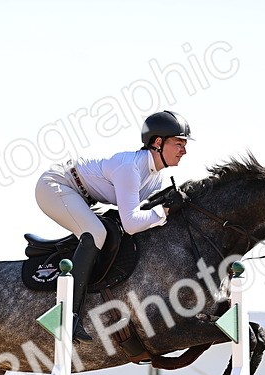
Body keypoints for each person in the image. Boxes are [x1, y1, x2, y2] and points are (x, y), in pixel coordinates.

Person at [35, 110, 191, 341]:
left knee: (108, 232)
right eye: (178, 143)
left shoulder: (155, 176)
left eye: (184, 144)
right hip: (56, 185)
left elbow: (142, 220)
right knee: (96, 233)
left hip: (79, 195)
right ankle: (65, 315)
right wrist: (165, 210)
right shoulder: (131, 167)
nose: (184, 151)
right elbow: (131, 223)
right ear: (158, 142)